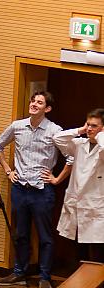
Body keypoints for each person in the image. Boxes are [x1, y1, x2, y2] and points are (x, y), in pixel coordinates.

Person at [0, 91, 72, 288]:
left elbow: (71, 157)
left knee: (45, 236)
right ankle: (19, 273)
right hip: (20, 189)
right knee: (21, 234)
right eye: (33, 101)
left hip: (42, 191)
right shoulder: (18, 126)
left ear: (47, 108)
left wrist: (57, 179)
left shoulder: (55, 130)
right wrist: (8, 170)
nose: (34, 104)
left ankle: (45, 277)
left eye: (39, 102)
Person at [52, 108, 104, 263]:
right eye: (88, 124)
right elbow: (57, 139)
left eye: (94, 126)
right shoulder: (79, 144)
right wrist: (80, 130)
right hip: (77, 204)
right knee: (79, 252)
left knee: (97, 254)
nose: (89, 128)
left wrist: (101, 136)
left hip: (95, 206)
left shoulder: (102, 147)